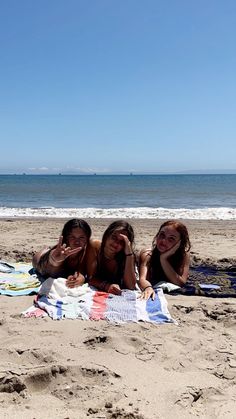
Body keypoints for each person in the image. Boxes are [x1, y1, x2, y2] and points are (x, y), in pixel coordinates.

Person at [32, 218, 100, 288]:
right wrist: (54, 260)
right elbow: (50, 269)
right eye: (72, 237)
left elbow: (81, 270)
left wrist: (79, 279)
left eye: (81, 237)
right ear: (66, 238)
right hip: (41, 259)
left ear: (87, 238)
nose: (77, 242)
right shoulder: (61, 252)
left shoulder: (88, 249)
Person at [139, 220, 191, 300]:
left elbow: (180, 283)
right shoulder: (147, 255)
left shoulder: (183, 256)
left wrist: (163, 259)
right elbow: (142, 279)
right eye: (162, 235)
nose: (163, 241)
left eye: (171, 239)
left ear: (179, 243)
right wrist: (148, 287)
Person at [88, 220, 137, 295]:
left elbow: (131, 286)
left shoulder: (126, 256)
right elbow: (90, 278)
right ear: (107, 234)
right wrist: (107, 286)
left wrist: (129, 254)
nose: (116, 243)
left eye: (122, 242)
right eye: (114, 237)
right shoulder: (95, 247)